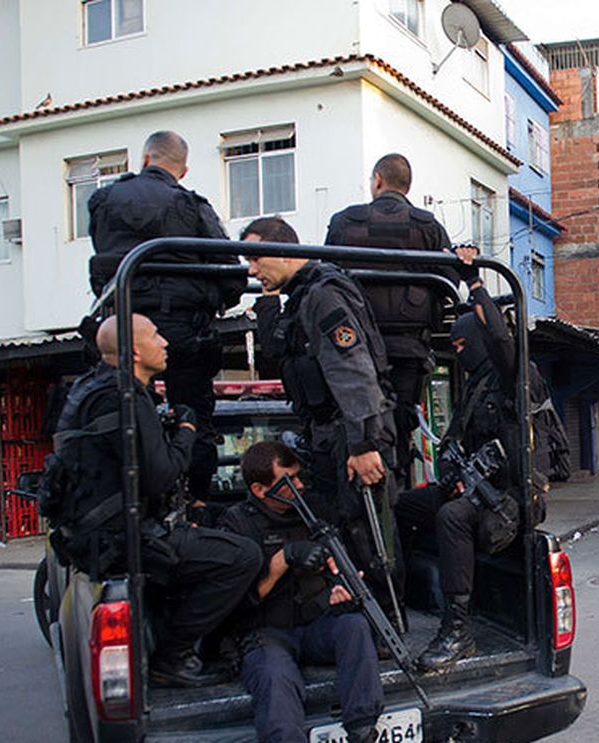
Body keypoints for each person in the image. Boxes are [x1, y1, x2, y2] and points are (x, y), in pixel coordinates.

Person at [49, 314, 261, 687]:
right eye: (155, 335)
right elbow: (160, 475)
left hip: (100, 537)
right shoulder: (125, 396)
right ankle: (174, 656)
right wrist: (186, 431)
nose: (164, 342)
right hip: (122, 540)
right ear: (133, 351)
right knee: (243, 556)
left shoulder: (90, 389)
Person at [244, 218, 405, 623]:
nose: (250, 268)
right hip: (329, 436)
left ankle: (389, 620)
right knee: (344, 529)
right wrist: (266, 302)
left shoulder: (323, 294)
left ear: (283, 251)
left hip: (355, 432)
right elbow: (278, 350)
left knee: (370, 535)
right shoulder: (298, 299)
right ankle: (361, 616)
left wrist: (363, 444)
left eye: (255, 256)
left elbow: (353, 371)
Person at [87, 130, 245, 506]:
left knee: (116, 415)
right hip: (183, 332)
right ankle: (194, 504)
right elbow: (230, 270)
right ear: (183, 170)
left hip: (121, 328)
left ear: (144, 160)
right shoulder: (190, 205)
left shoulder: (104, 201)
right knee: (194, 418)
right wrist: (218, 299)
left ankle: (130, 503)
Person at [218, 442, 383, 743]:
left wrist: (339, 590)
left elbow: (340, 568)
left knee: (355, 625)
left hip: (315, 624)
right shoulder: (236, 524)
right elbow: (236, 602)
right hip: (267, 634)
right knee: (274, 679)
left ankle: (363, 730)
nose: (299, 486)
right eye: (288, 482)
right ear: (258, 489)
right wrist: (284, 558)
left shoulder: (313, 510)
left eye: (298, 477)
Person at [409, 246, 519, 672]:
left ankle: (459, 631)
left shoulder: (511, 374)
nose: (456, 352)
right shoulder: (473, 386)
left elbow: (500, 340)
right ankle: (410, 599)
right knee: (405, 504)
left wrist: (473, 282)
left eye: (460, 343)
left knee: (452, 517)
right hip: (475, 491)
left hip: (508, 499)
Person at [326, 154, 458, 486]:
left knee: (357, 426)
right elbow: (450, 282)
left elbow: (326, 279)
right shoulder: (428, 227)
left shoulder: (345, 223)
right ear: (407, 185)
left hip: (355, 350)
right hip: (408, 349)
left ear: (378, 180)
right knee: (399, 428)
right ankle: (395, 491)